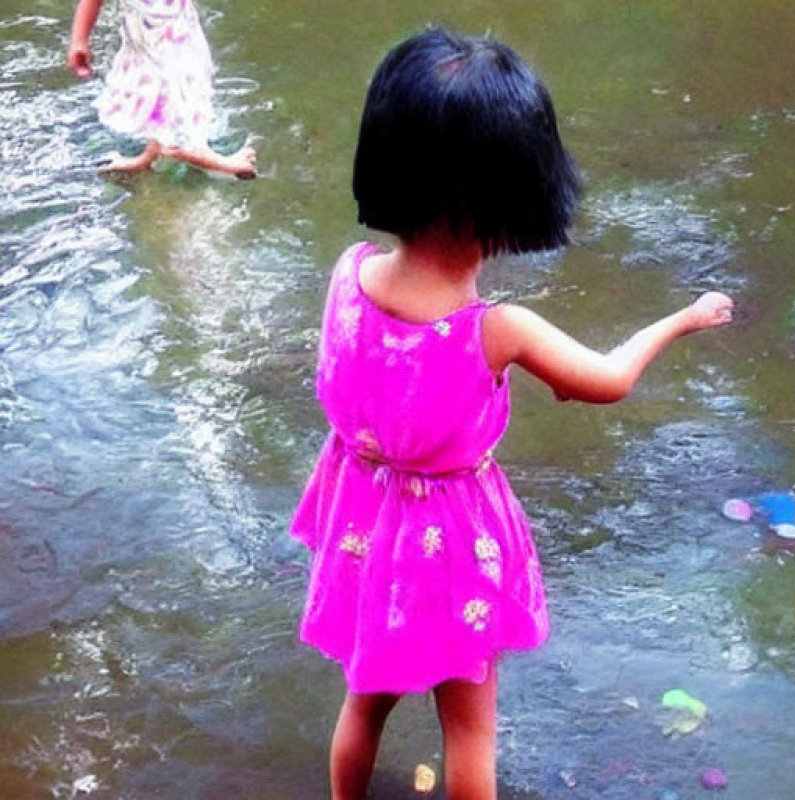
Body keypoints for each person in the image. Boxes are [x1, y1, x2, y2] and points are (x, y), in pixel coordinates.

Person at [290, 27, 733, 800]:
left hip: (365, 526)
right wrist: (683, 319)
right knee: (470, 734)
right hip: (450, 545)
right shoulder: (497, 331)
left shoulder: (348, 275)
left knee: (364, 700)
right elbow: (608, 380)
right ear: (509, 200)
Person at [67, 0, 256, 178]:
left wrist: (79, 40)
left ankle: (151, 152)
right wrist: (79, 40)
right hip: (168, 31)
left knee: (155, 83)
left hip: (149, 29)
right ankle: (190, 149)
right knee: (178, 80)